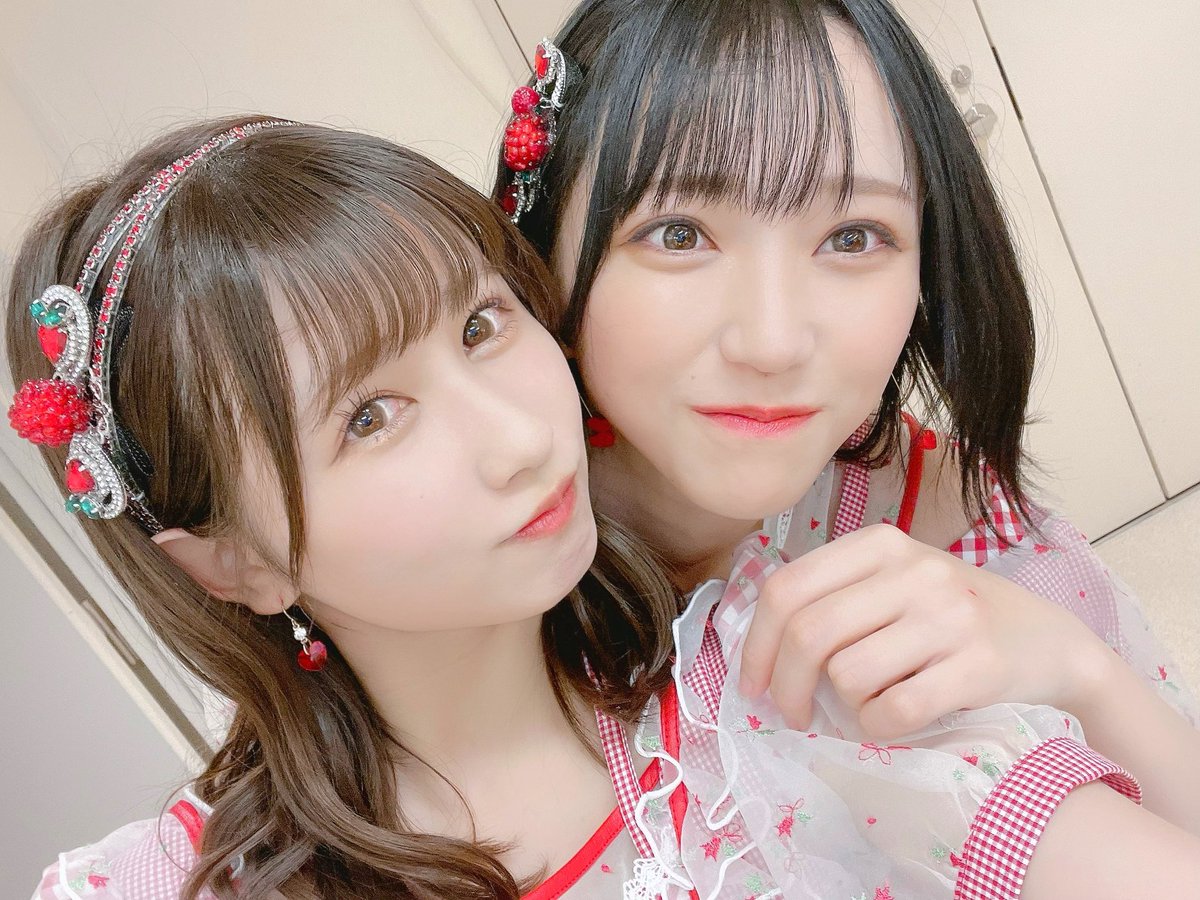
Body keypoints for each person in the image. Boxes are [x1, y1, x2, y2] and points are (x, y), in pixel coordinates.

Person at [12, 117, 1195, 900]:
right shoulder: (168, 886)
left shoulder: (774, 693)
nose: (521, 436)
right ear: (233, 564)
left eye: (483, 325)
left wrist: (1082, 675)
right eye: (370, 416)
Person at [492, 0, 1200, 894]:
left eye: (852, 236)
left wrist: (1079, 669)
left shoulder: (936, 504)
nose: (773, 341)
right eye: (679, 234)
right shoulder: (464, 611)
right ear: (539, 260)